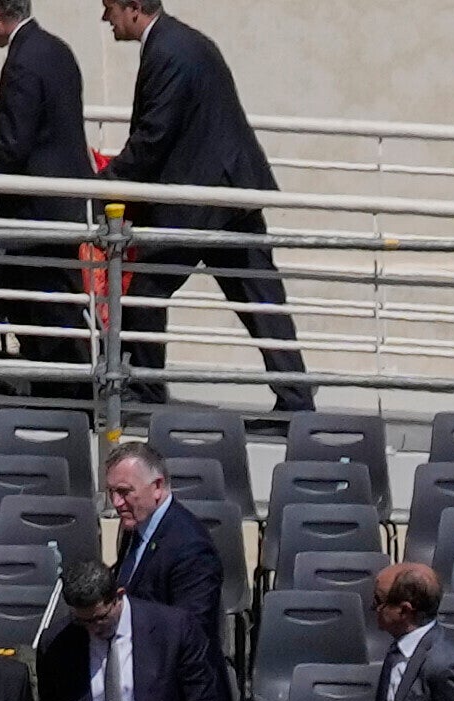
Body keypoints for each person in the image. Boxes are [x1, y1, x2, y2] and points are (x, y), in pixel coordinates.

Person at [101, 0, 311, 419]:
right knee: (258, 297)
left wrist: (106, 182)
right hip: (224, 194)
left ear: (134, 8)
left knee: (148, 290)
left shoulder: (168, 50)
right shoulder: (179, 43)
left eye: (109, 8)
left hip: (203, 201)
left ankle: (147, 394)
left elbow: (154, 136)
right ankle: (296, 401)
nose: (105, 18)